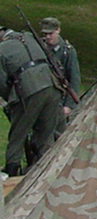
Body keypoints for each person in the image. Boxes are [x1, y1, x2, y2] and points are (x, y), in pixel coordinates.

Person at [0, 25, 62, 176]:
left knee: (18, 133)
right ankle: (48, 171)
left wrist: (10, 100)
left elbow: (1, 84)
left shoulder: (2, 49)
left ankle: (11, 170)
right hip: (52, 85)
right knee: (46, 133)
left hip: (29, 90)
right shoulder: (29, 36)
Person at [39, 17, 80, 130]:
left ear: (58, 30)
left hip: (58, 99)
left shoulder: (68, 51)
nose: (47, 37)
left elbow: (74, 79)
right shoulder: (39, 47)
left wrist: (69, 105)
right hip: (40, 97)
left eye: (50, 33)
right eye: (45, 34)